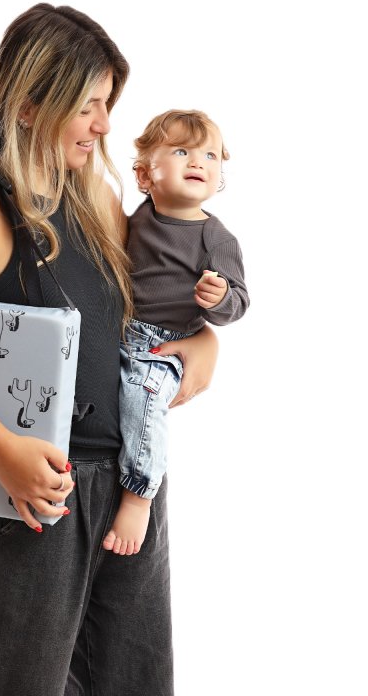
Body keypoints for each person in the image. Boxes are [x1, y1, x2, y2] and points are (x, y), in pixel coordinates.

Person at [0, 4, 219, 696]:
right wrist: (3, 450)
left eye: (107, 105)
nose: (105, 125)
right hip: (37, 493)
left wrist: (202, 344)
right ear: (29, 105)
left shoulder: (93, 193)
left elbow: (152, 312)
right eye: (87, 106)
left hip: (131, 488)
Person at [102, 109, 250, 557]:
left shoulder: (215, 239)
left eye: (210, 155)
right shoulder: (139, 218)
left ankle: (139, 496)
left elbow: (239, 302)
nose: (198, 161)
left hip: (164, 345)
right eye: (182, 151)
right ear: (145, 175)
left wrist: (218, 297)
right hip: (121, 330)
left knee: (144, 399)